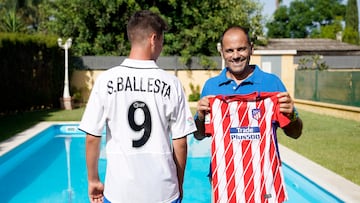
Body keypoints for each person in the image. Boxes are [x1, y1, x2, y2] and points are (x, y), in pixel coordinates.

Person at [79, 10, 197, 203]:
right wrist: (179, 183)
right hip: (163, 192)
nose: (161, 46)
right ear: (153, 39)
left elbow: (92, 137)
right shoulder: (172, 84)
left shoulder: (106, 80)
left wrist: (93, 180)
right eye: (161, 41)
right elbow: (181, 142)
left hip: (119, 193)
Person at [194, 26, 303, 203]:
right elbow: (199, 135)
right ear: (222, 52)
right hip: (224, 181)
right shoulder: (211, 87)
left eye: (241, 49)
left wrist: (291, 115)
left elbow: (295, 133)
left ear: (251, 48)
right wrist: (200, 116)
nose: (235, 55)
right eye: (229, 50)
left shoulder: (272, 83)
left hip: (263, 182)